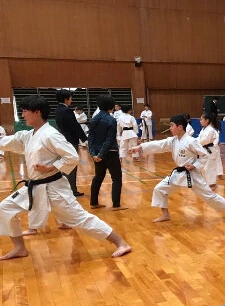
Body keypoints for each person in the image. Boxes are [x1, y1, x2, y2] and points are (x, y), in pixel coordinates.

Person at [0, 95, 131, 259]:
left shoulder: (50, 134)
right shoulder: (30, 135)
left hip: (54, 187)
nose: (23, 115)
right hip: (34, 186)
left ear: (37, 112)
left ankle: (121, 243)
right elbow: (10, 141)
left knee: (80, 219)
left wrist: (51, 167)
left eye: (25, 111)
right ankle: (20, 248)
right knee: (5, 208)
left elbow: (71, 157)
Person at [130, 114, 225, 222]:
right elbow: (158, 144)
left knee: (208, 195)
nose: (170, 128)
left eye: (172, 125)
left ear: (180, 127)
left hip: (191, 174)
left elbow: (204, 155)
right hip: (178, 173)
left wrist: (194, 165)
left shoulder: (191, 141)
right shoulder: (173, 140)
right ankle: (165, 214)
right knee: (159, 189)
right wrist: (139, 147)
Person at [89, 95, 125, 210]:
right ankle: (116, 205)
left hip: (97, 153)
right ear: (111, 107)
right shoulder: (111, 120)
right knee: (116, 177)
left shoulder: (94, 118)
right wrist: (101, 154)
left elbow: (91, 138)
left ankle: (94, 202)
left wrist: (94, 154)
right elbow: (109, 139)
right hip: (110, 152)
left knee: (98, 176)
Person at [54, 89, 87, 196]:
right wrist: (85, 139)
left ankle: (64, 188)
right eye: (70, 97)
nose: (71, 100)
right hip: (70, 141)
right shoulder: (67, 111)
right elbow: (75, 126)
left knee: (65, 164)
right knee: (71, 165)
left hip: (62, 140)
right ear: (66, 98)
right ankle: (71, 190)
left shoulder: (57, 110)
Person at [198, 111, 223, 189]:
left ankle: (212, 184)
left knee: (209, 167)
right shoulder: (203, 129)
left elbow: (204, 140)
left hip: (210, 150)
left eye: (201, 119)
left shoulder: (211, 130)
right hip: (204, 150)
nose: (200, 121)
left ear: (207, 120)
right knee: (203, 168)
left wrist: (194, 144)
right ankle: (206, 184)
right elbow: (199, 139)